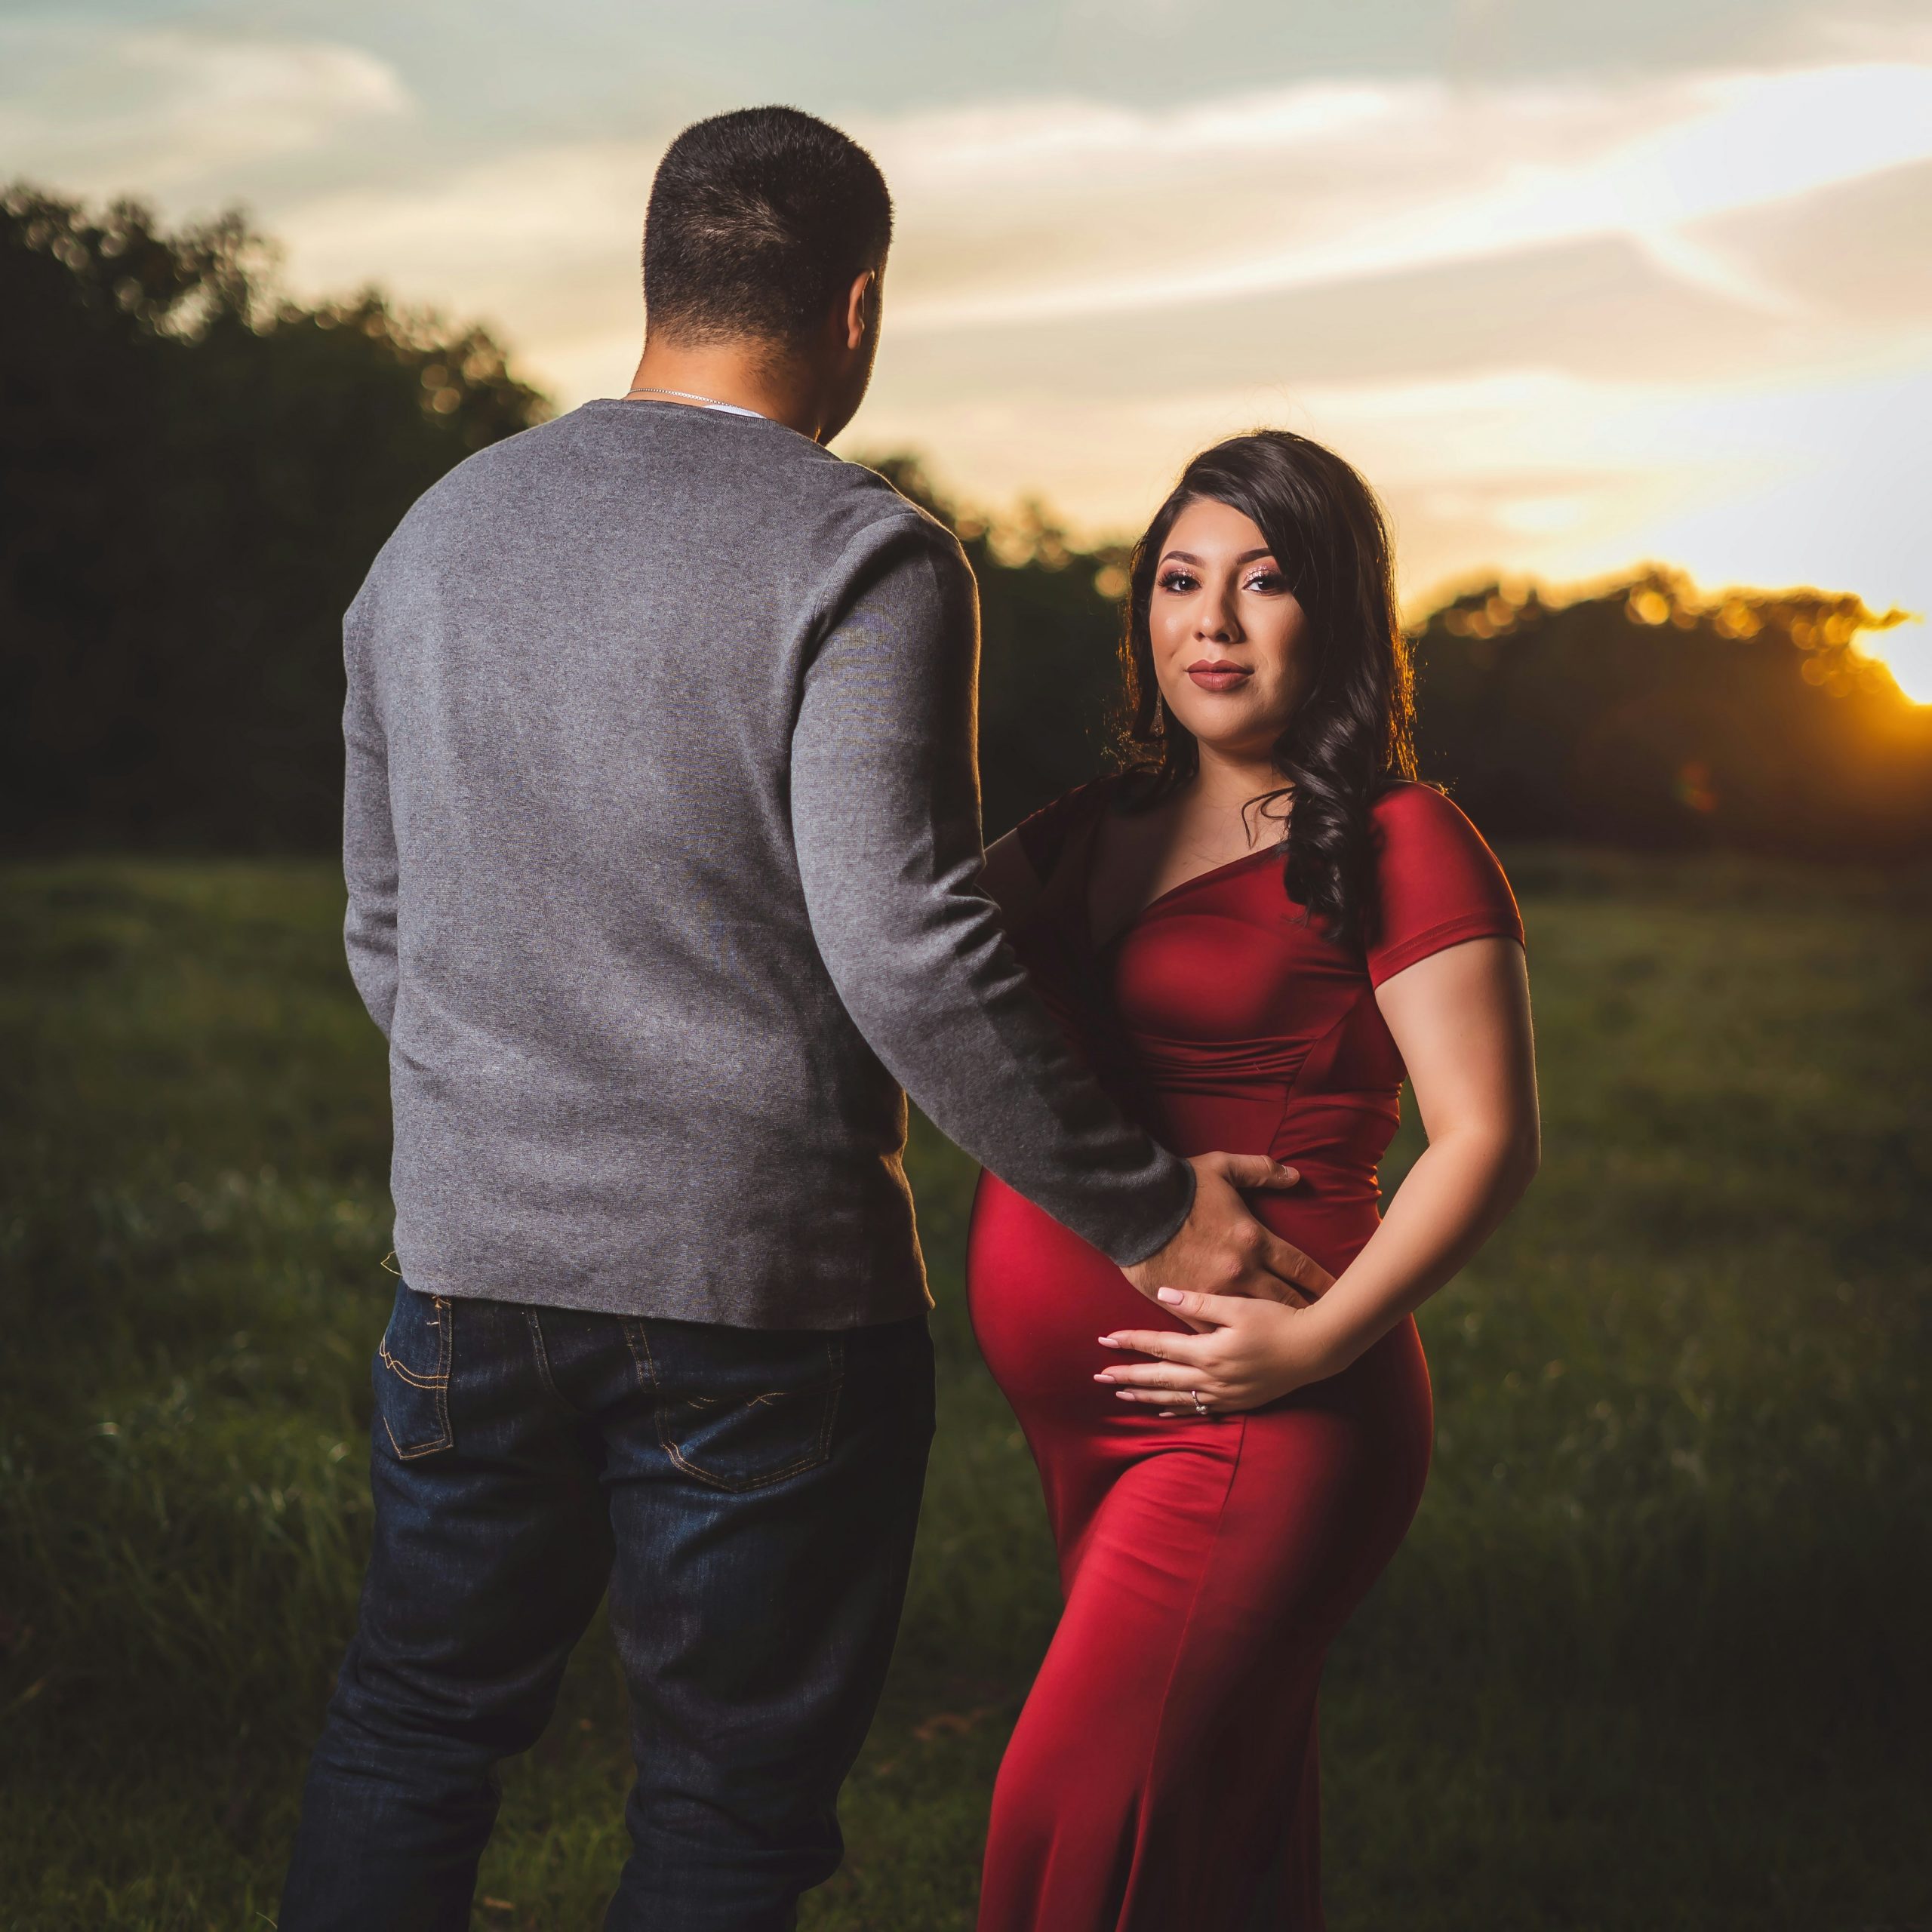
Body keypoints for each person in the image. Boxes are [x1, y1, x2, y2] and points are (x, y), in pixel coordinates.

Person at [279, 107, 1323, 1932]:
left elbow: (385, 925)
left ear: (659, 280)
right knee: (722, 1799)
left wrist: (512, 1113)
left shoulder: (433, 537)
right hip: (759, 1297)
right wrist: (1151, 1211)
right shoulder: (864, 554)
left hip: (464, 1278)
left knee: (413, 1726)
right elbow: (907, 946)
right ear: (855, 307)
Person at [968, 430, 1542, 1930]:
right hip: (1090, 1422)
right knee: (1215, 1836)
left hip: (1263, 1411)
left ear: (1334, 610)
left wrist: (1312, 1344)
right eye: (1179, 580)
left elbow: (1485, 1136)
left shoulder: (1403, 838)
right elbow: (906, 963)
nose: (1210, 621)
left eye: (1262, 581)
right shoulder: (1087, 826)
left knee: (1073, 1817)